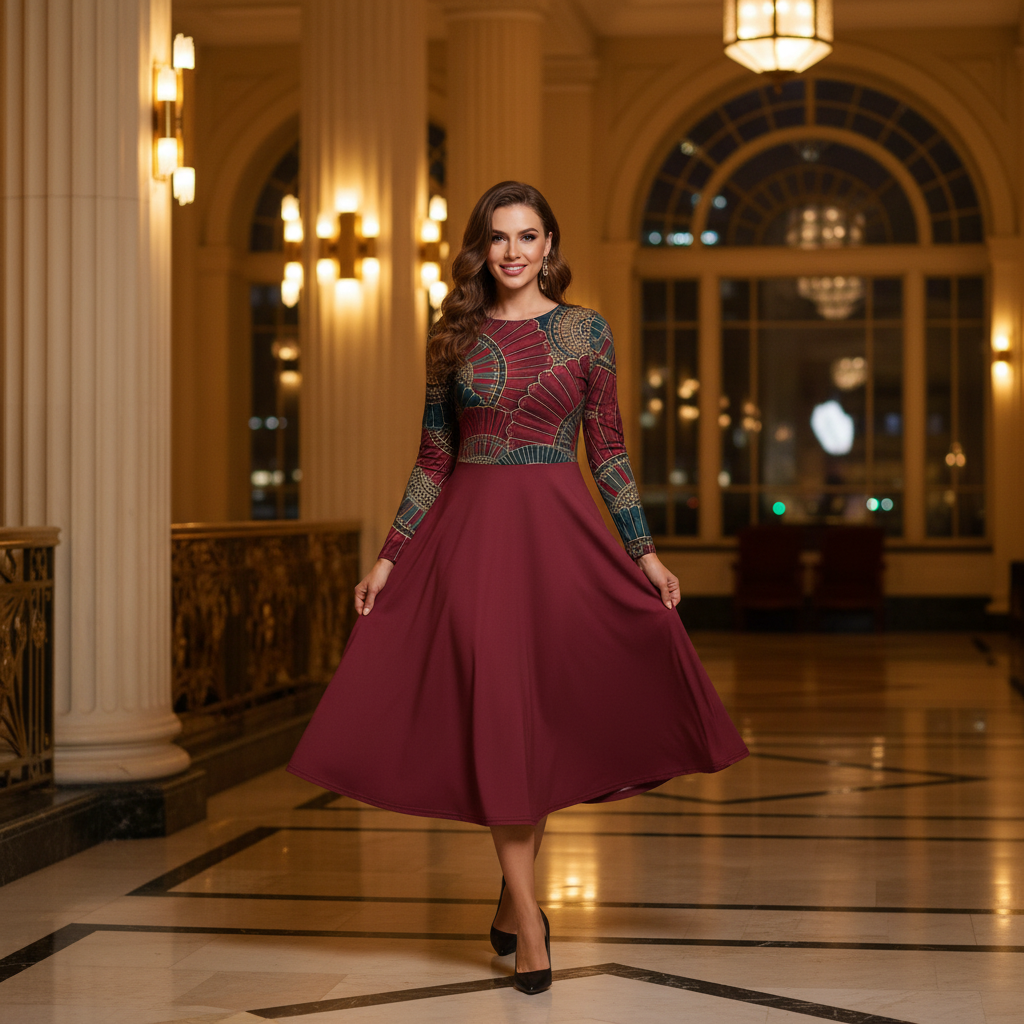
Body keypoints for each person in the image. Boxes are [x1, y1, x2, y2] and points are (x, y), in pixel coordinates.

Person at [288, 181, 749, 995]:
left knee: (538, 719)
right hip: (470, 544)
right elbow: (433, 458)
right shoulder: (452, 338)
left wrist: (645, 555)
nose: (512, 251)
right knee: (499, 713)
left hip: (560, 541)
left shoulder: (585, 333)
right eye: (498, 237)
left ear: (549, 244)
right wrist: (389, 558)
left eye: (527, 236)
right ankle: (532, 924)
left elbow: (607, 451)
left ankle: (513, 893)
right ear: (480, 246)